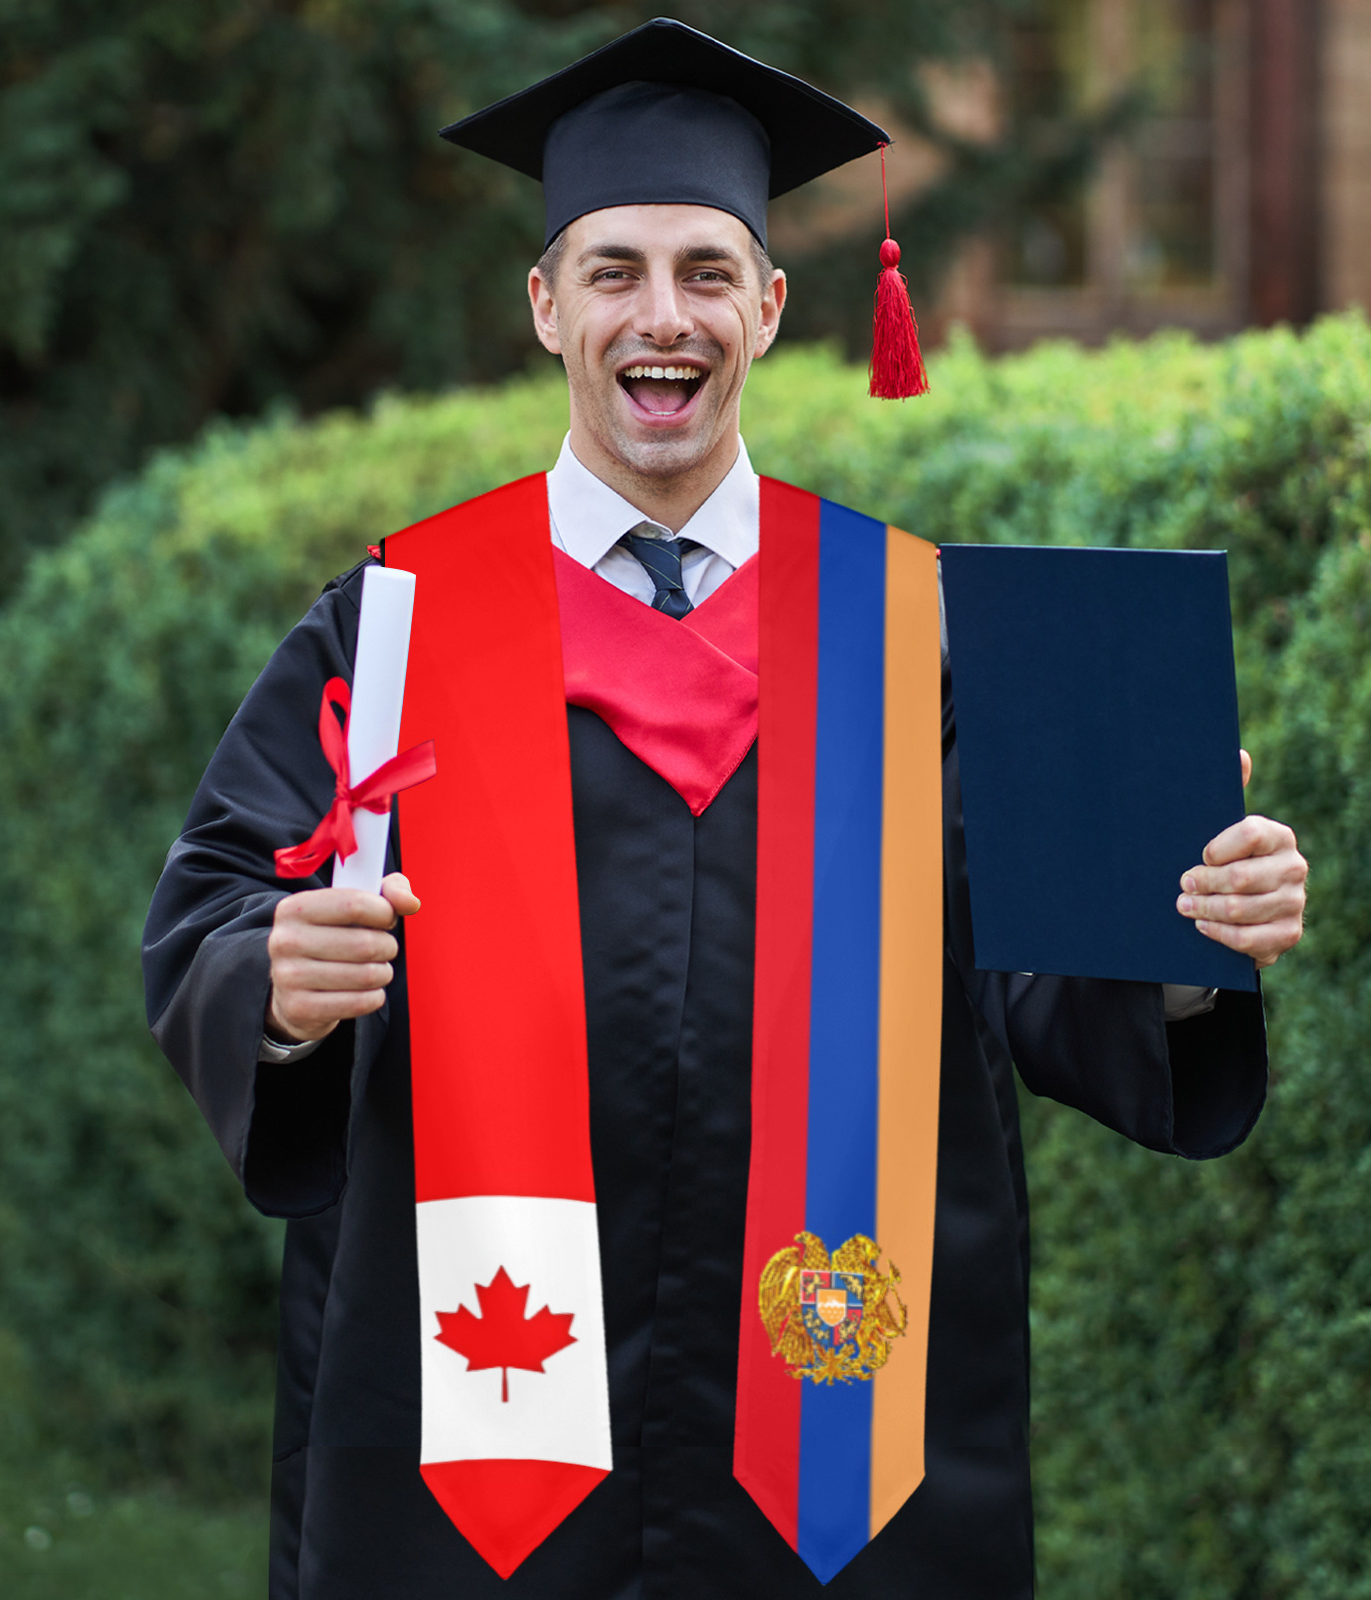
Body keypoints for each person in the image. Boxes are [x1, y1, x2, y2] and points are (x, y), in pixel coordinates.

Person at [142, 19, 1308, 1600]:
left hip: (839, 1410)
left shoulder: (919, 631)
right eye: (614, 270)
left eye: (705, 271)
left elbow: (1039, 980)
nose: (661, 317)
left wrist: (1184, 935)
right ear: (547, 305)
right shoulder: (404, 620)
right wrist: (273, 982)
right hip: (476, 1427)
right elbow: (218, 901)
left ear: (769, 306)